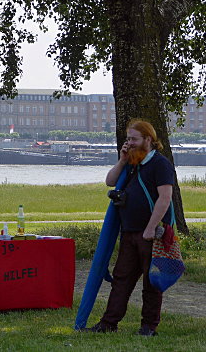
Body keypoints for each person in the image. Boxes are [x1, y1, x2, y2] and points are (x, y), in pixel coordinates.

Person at [84, 119, 174, 336]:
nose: (130, 143)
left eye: (134, 139)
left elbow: (165, 198)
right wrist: (123, 160)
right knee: (121, 279)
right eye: (128, 139)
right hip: (129, 232)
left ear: (148, 139)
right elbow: (110, 181)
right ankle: (108, 324)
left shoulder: (160, 164)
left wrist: (151, 228)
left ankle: (148, 327)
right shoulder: (133, 163)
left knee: (151, 282)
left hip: (150, 234)